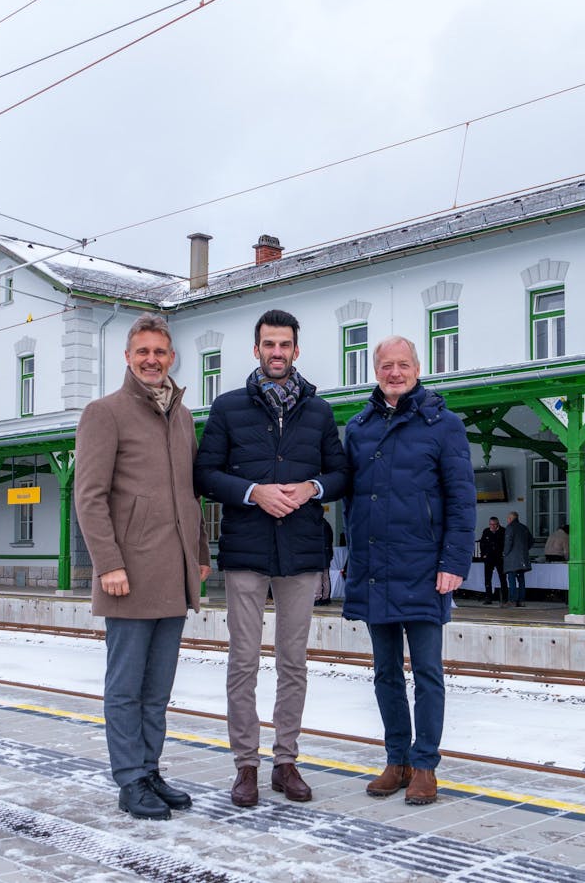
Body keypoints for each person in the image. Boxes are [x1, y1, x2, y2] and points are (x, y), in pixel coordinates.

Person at [194, 309, 347, 808]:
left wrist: (313, 486)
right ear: (256, 349)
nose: (276, 352)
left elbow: (342, 474)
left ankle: (286, 761)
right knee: (242, 661)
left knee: (293, 662)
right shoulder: (228, 406)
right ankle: (245, 766)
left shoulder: (319, 412)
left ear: (296, 351)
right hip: (246, 551)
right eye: (268, 344)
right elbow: (204, 475)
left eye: (284, 345)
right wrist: (254, 491)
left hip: (301, 551)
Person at [74, 314, 211, 821]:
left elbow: (188, 495)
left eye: (160, 352)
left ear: (171, 358)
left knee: (158, 689)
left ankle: (150, 770)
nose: (152, 360)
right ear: (128, 358)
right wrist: (107, 562)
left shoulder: (182, 415)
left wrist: (199, 553)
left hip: (173, 571)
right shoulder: (103, 413)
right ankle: (129, 779)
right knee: (126, 686)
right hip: (127, 573)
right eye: (142, 352)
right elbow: (89, 497)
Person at [343, 335, 474, 806]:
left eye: (403, 364)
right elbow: (353, 500)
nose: (394, 372)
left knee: (427, 672)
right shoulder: (359, 427)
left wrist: (454, 563)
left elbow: (461, 500)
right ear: (375, 370)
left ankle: (424, 766)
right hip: (376, 567)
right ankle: (395, 760)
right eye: (386, 365)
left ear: (418, 368)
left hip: (423, 567)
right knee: (384, 673)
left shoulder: (444, 425)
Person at [502, 511, 532, 608]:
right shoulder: (524, 528)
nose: (507, 520)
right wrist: (524, 550)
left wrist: (505, 553)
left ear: (510, 518)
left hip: (512, 559)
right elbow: (531, 541)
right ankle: (522, 601)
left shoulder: (510, 527)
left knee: (511, 580)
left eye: (508, 518)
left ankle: (512, 600)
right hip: (523, 559)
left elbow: (508, 543)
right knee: (521, 580)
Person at [477, 516, 505, 604]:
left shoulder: (503, 531)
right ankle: (488, 597)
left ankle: (505, 598)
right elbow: (482, 543)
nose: (492, 526)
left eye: (494, 525)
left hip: (499, 557)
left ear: (498, 524)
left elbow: (505, 544)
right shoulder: (486, 531)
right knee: (487, 578)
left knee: (503, 577)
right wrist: (484, 554)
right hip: (489, 558)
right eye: (490, 524)